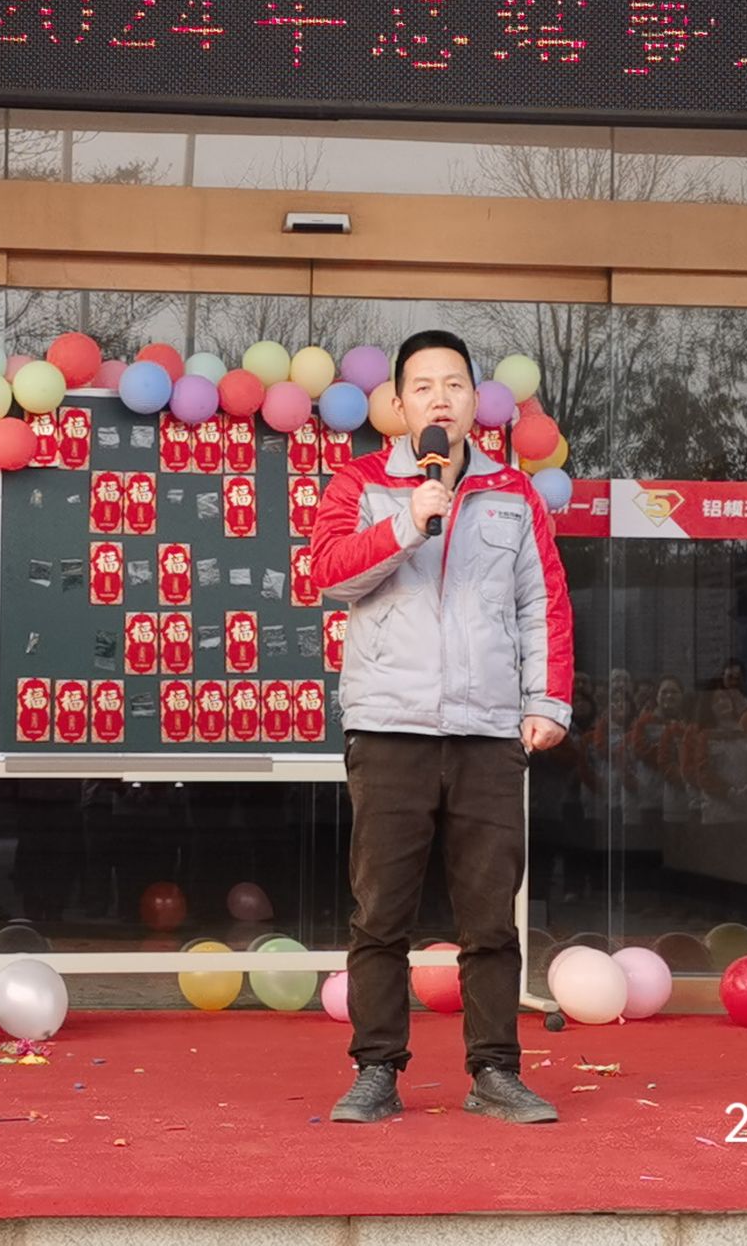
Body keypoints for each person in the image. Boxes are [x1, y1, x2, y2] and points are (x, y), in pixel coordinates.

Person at [310, 329, 573, 1126]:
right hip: (390, 726)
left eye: (454, 384)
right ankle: (376, 1070)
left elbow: (543, 600)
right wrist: (405, 524)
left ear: (474, 400)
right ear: (398, 403)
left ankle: (495, 1071)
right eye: (422, 386)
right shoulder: (360, 483)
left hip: (489, 731)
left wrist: (546, 701)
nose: (439, 399)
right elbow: (325, 575)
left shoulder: (513, 492)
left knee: (490, 917)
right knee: (380, 914)